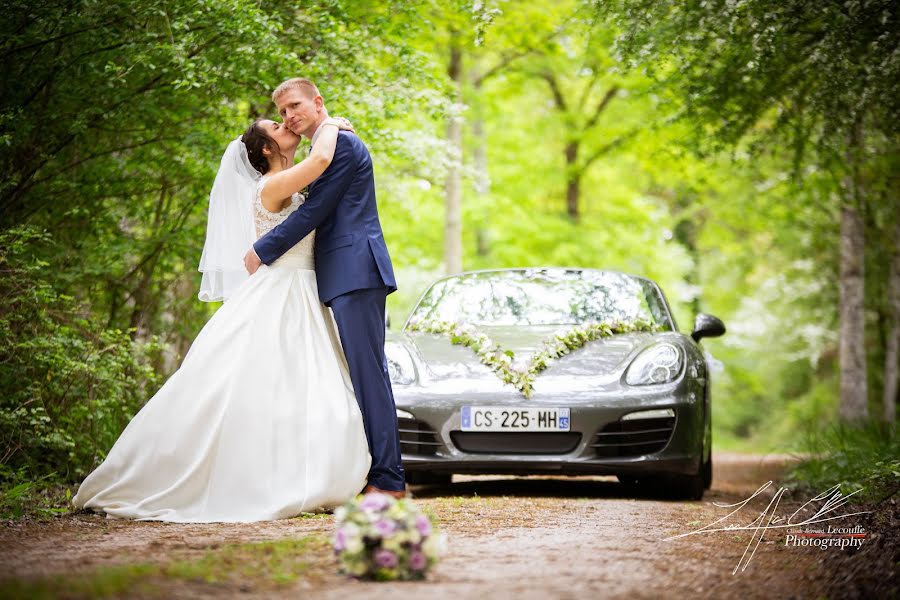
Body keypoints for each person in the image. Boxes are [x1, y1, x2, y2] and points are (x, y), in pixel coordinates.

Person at [72, 116, 371, 522]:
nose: (288, 127)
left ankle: (305, 469)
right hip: (282, 291)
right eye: (279, 128)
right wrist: (331, 123)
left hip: (303, 290)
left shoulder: (285, 183)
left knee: (299, 387)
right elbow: (320, 161)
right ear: (267, 150)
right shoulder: (270, 186)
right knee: (256, 387)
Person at [244, 78, 406, 498]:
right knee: (357, 374)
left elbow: (316, 209)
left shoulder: (342, 147)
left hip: (357, 271)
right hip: (341, 274)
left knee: (370, 375)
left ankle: (389, 480)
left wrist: (262, 249)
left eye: (294, 106)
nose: (289, 116)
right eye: (281, 113)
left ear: (317, 103)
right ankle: (368, 470)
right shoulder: (327, 147)